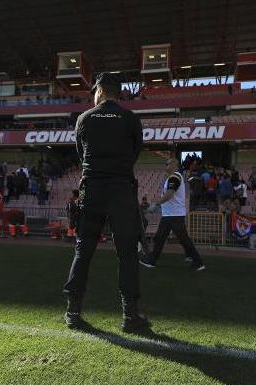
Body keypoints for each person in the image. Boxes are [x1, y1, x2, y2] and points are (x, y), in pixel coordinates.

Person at [62, 72, 149, 333]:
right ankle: (130, 317)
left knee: (83, 249)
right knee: (127, 255)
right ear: (118, 92)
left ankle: (73, 312)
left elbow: (81, 153)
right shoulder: (130, 118)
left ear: (99, 90)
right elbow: (135, 152)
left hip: (93, 189)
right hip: (121, 189)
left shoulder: (84, 118)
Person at [140, 156, 206, 271]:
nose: (166, 166)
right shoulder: (172, 177)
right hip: (170, 215)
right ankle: (152, 260)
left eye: (168, 164)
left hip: (174, 215)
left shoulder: (174, 177)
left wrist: (157, 204)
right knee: (161, 237)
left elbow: (170, 194)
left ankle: (198, 262)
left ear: (175, 165)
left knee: (182, 239)